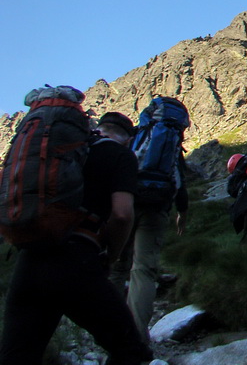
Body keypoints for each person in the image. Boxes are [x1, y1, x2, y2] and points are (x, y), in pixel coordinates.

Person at [0, 112, 153, 365]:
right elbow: (123, 213)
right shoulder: (121, 155)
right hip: (77, 260)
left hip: (29, 261)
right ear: (129, 138)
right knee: (130, 350)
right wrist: (111, 256)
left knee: (18, 357)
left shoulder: (65, 151)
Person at [110, 149, 189, 345]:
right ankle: (136, 337)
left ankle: (107, 329)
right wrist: (182, 212)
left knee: (118, 267)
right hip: (157, 209)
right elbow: (180, 182)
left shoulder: (138, 135)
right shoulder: (171, 146)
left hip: (128, 202)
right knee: (143, 271)